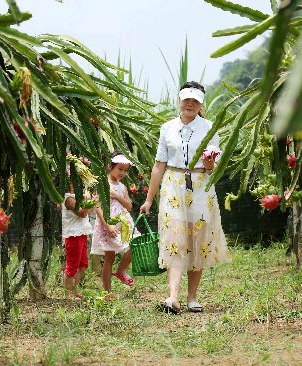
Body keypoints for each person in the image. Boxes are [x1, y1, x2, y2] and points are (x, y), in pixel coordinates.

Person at [140, 81, 231, 314]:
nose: (190, 104)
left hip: (201, 185)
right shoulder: (167, 128)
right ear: (180, 100)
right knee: (175, 238)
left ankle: (192, 297)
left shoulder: (210, 128)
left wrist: (210, 163)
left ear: (201, 103)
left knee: (197, 239)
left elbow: (214, 168)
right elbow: (158, 166)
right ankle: (172, 297)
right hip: (173, 184)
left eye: (195, 100)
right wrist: (149, 199)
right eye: (186, 99)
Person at [92, 151, 140, 295]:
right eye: (120, 169)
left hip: (123, 222)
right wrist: (107, 225)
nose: (122, 173)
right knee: (109, 257)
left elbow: (129, 206)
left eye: (125, 170)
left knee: (134, 244)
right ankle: (107, 292)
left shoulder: (122, 187)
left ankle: (120, 271)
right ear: (110, 166)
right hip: (108, 223)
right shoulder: (102, 184)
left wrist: (118, 196)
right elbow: (97, 206)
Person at [62, 182, 93, 300]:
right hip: (73, 236)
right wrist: (89, 200)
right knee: (72, 266)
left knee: (83, 264)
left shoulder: (79, 196)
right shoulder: (68, 199)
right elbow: (82, 214)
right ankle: (68, 293)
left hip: (82, 234)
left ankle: (74, 290)